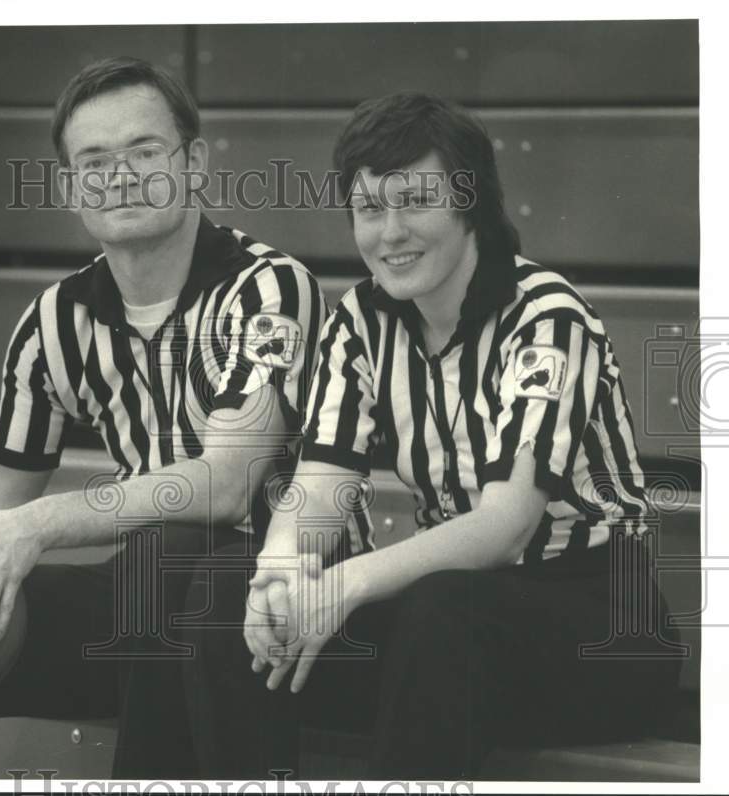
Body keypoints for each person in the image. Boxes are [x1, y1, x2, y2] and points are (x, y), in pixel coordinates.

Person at [0, 56, 328, 779]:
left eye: (144, 151)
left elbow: (224, 485)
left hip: (277, 598)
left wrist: (38, 526)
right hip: (144, 606)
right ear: (69, 188)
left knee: (171, 553)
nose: (119, 175)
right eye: (94, 160)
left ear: (194, 163)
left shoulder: (267, 288)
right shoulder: (52, 321)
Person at [182, 92, 685, 780]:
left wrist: (349, 582)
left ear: (469, 204)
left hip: (601, 627)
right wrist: (281, 573)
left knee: (441, 610)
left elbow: (506, 525)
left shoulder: (546, 318)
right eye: (368, 210)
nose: (390, 233)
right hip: (453, 620)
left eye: (414, 202)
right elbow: (320, 492)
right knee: (226, 595)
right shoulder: (361, 319)